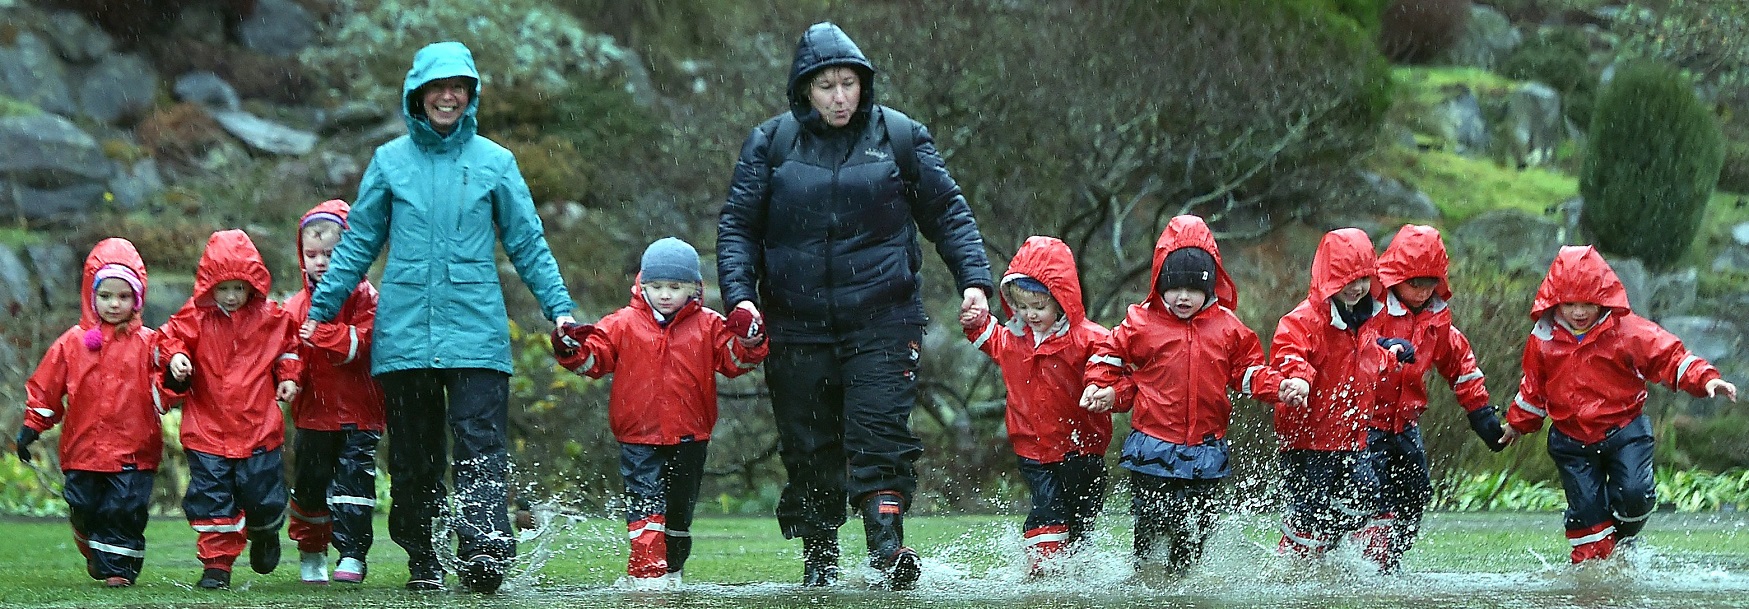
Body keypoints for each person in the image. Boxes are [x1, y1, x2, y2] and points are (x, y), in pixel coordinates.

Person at [715, 22, 994, 589]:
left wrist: (975, 282)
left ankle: (889, 553)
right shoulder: (770, 143)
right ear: (804, 90)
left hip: (884, 320)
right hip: (795, 324)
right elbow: (738, 229)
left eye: (849, 84)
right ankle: (820, 563)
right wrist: (740, 296)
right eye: (827, 86)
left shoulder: (901, 136)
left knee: (879, 434)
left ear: (864, 83)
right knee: (809, 445)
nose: (840, 97)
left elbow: (948, 213)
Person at [302, 41, 577, 593]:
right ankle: (421, 555)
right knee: (414, 455)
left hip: (476, 332)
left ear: (470, 95)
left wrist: (561, 309)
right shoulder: (389, 162)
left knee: (480, 448)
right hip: (404, 336)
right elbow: (357, 245)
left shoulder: (496, 163)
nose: (447, 96)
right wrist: (321, 309)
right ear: (418, 95)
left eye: (458, 87)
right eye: (437, 87)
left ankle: (484, 557)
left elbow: (527, 242)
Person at [555, 237, 769, 589]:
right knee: (645, 506)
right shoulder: (622, 323)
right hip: (637, 436)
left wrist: (749, 339)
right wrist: (571, 349)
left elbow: (734, 362)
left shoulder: (709, 324)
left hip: (691, 435)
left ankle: (672, 570)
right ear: (642, 284)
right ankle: (647, 576)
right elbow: (594, 359)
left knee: (678, 517)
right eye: (656, 286)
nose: (665, 294)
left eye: (675, 287)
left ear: (693, 288)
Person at [1504, 245, 1737, 563]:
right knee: (1588, 527)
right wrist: (1517, 424)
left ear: (1603, 299)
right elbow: (1533, 389)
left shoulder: (1628, 331)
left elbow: (1669, 357)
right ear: (1556, 301)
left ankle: (1625, 542)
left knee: (1634, 497)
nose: (1579, 312)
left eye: (1588, 303)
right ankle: (1592, 580)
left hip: (1625, 431)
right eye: (1571, 303)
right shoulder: (1543, 339)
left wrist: (1705, 379)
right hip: (1571, 442)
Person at [1081, 215, 1279, 576]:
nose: (1183, 296)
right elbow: (1106, 356)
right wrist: (1100, 386)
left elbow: (1248, 373)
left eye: (1194, 287)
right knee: (1154, 520)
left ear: (1211, 286)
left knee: (1196, 530)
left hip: (1206, 447)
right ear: (1159, 283)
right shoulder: (1140, 323)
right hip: (1153, 446)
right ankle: (1144, 577)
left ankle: (1181, 583)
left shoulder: (1229, 329)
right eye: (1174, 287)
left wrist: (1279, 387)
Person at [13, 238, 190, 588]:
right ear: (91, 295)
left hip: (134, 451)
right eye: (106, 295)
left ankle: (118, 572)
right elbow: (47, 387)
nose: (114, 303)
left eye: (124, 296)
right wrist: (32, 426)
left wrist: (174, 375)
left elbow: (163, 391)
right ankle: (91, 542)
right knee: (84, 507)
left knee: (124, 512)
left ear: (137, 300)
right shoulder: (72, 343)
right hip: (83, 451)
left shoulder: (150, 344)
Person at [158, 229, 304, 590]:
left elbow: (290, 348)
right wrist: (177, 357)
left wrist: (289, 376)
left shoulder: (272, 318)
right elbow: (169, 338)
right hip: (207, 429)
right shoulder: (193, 318)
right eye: (222, 288)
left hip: (258, 428)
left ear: (252, 285)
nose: (231, 296)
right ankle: (217, 566)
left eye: (239, 287)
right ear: (209, 288)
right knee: (211, 500)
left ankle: (266, 532)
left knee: (264, 498)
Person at [959, 236, 1111, 576]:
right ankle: (1043, 571)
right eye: (1023, 306)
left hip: (1081, 447)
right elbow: (989, 337)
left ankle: (1075, 566)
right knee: (1048, 508)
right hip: (1034, 447)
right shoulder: (1013, 337)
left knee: (1081, 516)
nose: (1030, 314)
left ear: (1061, 301)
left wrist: (1102, 389)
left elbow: (1111, 369)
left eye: (1039, 307)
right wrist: (974, 322)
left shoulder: (1089, 338)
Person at [1356, 224, 1503, 573]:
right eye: (1414, 284)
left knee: (1415, 493)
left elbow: (1461, 364)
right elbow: (1354, 348)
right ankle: (1365, 565)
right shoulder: (1370, 311)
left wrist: (1480, 412)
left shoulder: (1437, 322)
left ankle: (1389, 562)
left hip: (1405, 424)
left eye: (1429, 284)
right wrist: (1384, 348)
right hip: (1365, 424)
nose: (1422, 293)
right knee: (1370, 495)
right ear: (1394, 278)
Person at [1269, 227, 1406, 559]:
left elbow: (1364, 360)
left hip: (1351, 438)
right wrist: (1298, 378)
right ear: (1327, 278)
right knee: (1310, 512)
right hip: (1307, 442)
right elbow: (1288, 353)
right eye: (1347, 279)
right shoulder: (1304, 319)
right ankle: (1294, 567)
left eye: (1363, 279)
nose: (1357, 288)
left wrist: (1390, 358)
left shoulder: (1366, 320)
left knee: (1369, 497)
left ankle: (1366, 570)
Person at [282, 200, 385, 585]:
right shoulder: (295, 305)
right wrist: (290, 376)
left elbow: (363, 344)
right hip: (313, 413)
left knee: (354, 484)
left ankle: (353, 554)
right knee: (309, 486)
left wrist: (323, 334)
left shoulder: (367, 299)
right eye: (312, 254)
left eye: (330, 253)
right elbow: (290, 350)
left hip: (362, 412)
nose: (321, 262)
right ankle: (312, 550)